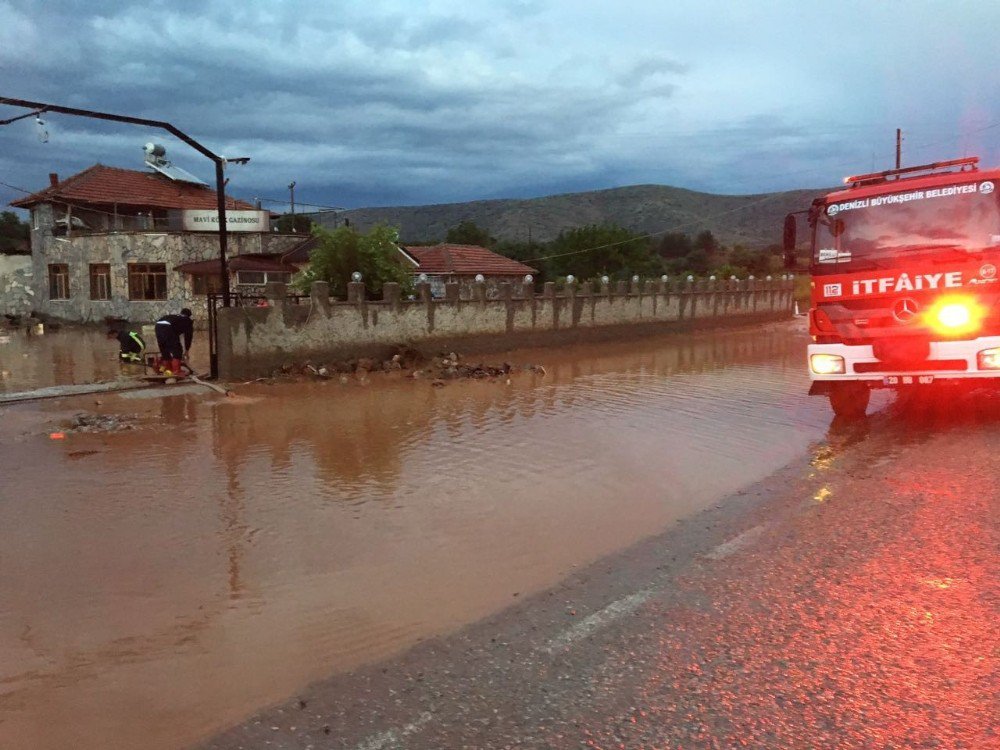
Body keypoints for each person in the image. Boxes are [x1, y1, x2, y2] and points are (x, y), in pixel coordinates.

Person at [154, 308, 194, 375]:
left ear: (181, 313)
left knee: (164, 349)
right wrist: (187, 350)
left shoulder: (175, 317)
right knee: (177, 350)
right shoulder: (187, 321)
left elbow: (174, 334)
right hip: (167, 327)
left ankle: (167, 370)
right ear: (189, 316)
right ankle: (177, 371)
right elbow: (188, 337)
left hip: (158, 325)